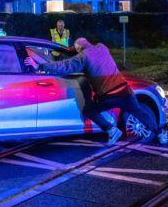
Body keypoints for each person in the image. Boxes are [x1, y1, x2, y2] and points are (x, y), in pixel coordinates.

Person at [24, 37, 159, 147]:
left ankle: (111, 129)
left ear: (79, 49)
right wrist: (75, 50)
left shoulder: (83, 57)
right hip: (125, 91)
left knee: (89, 110)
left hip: (109, 95)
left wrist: (40, 66)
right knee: (139, 112)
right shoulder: (102, 48)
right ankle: (161, 132)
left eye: (77, 50)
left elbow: (65, 66)